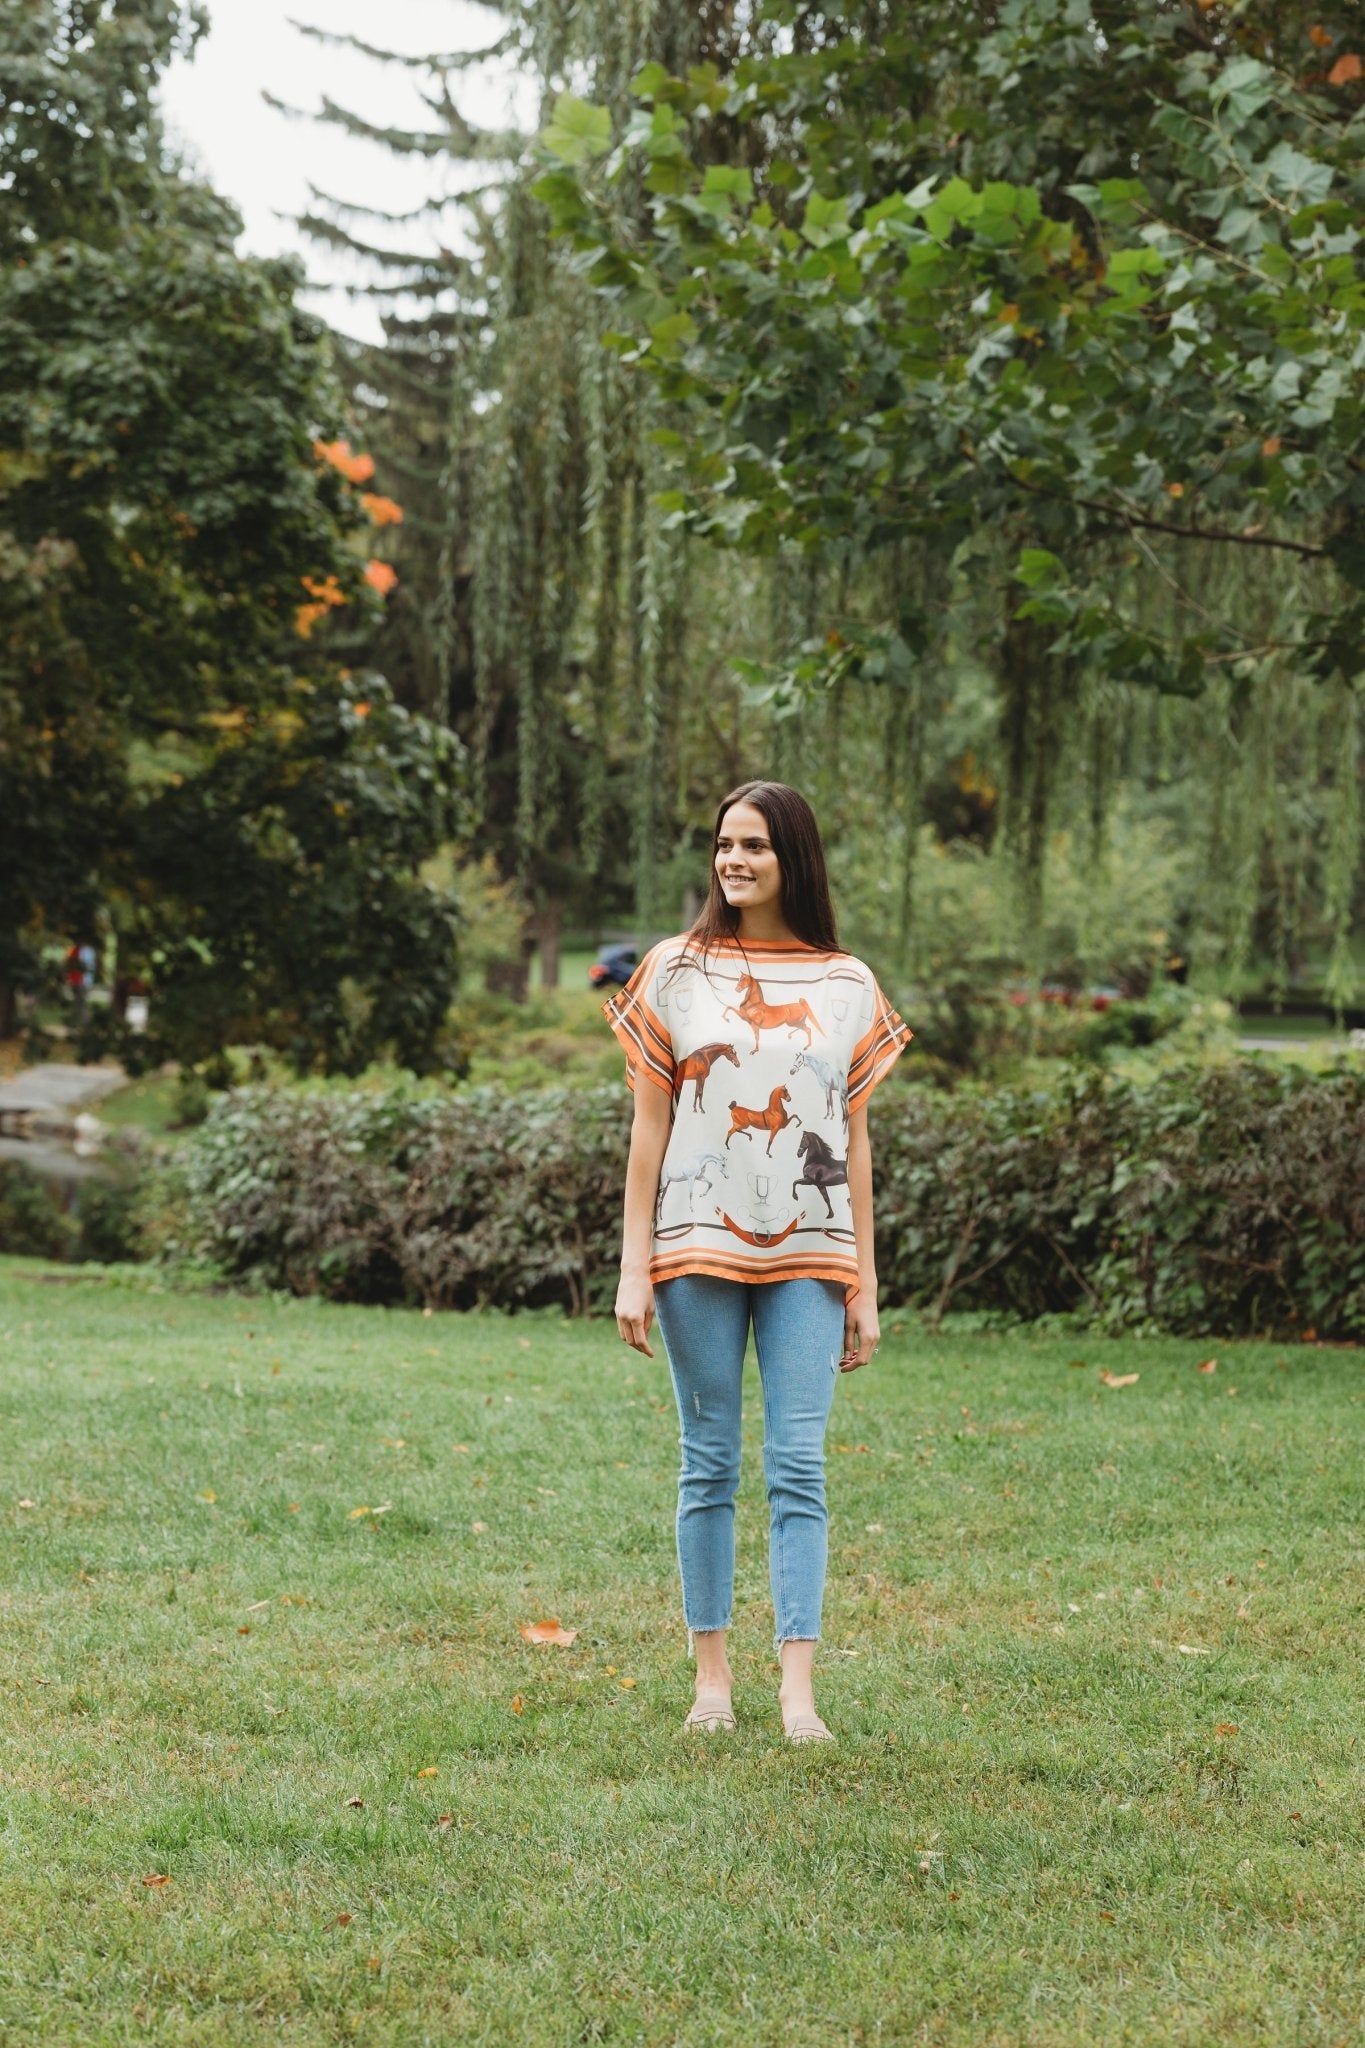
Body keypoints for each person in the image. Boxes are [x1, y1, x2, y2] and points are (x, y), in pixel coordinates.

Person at [604, 781, 911, 1743]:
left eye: (755, 846)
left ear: (794, 858)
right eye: (723, 843)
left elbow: (852, 1141)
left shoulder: (847, 983)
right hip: (693, 1247)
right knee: (707, 1466)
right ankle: (710, 1683)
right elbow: (648, 1131)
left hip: (812, 1257)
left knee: (798, 1469)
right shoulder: (674, 970)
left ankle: (798, 1694)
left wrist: (864, 1281)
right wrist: (630, 1265)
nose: (733, 860)